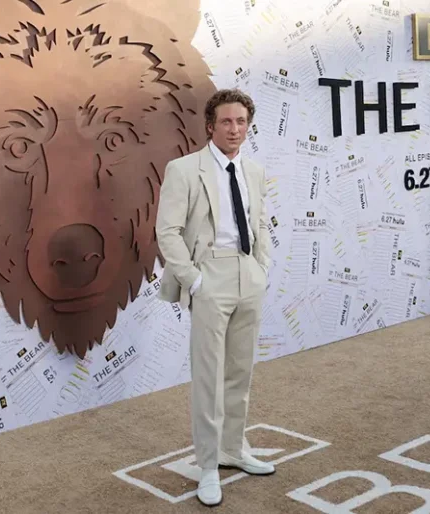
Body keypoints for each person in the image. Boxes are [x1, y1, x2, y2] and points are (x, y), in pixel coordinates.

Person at [155, 88, 274, 507]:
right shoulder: (185, 170)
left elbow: (259, 222)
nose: (234, 129)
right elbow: (166, 231)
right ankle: (208, 464)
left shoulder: (255, 171)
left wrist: (261, 267)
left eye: (241, 122)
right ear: (210, 126)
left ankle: (233, 450)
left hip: (247, 274)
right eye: (226, 121)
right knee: (209, 375)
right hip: (210, 275)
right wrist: (194, 280)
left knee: (240, 372)